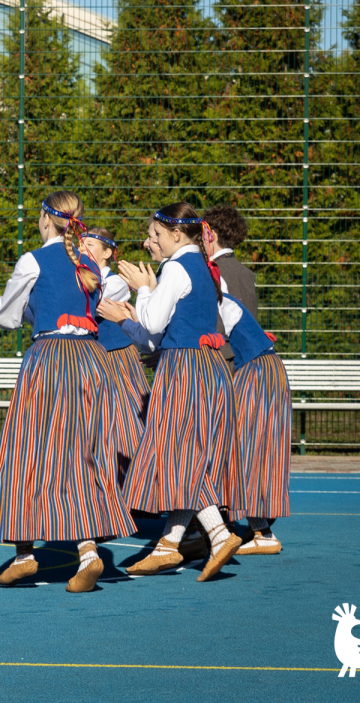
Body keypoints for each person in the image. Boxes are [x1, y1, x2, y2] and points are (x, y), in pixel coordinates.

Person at [0, 192, 136, 593]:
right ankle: (90, 553)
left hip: (50, 361)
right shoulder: (88, 263)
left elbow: (9, 317)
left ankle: (25, 554)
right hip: (92, 362)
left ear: (46, 218)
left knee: (26, 452)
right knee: (84, 454)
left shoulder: (32, 260)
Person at [118, 203, 242, 582]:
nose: (148, 241)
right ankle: (168, 545)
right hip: (210, 368)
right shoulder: (206, 269)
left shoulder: (174, 268)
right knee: (187, 455)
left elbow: (153, 324)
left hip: (184, 370)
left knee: (176, 456)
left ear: (176, 235)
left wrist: (139, 295)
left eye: (155, 235)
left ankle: (219, 536)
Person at [218, 289, 291, 555]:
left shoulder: (214, 302)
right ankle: (256, 529)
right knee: (247, 453)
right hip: (262, 370)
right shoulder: (221, 300)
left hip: (256, 372)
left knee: (241, 453)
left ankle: (261, 532)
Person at [82, 228, 148, 468]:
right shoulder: (78, 281)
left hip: (117, 359)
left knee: (126, 421)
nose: (82, 248)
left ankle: (136, 480)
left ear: (107, 252)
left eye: (89, 244)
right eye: (80, 244)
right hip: (91, 359)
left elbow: (88, 304)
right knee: (93, 424)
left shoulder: (115, 282)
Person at [203, 205, 258, 371]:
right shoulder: (247, 273)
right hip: (248, 357)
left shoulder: (212, 271)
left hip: (222, 360)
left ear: (211, 234)